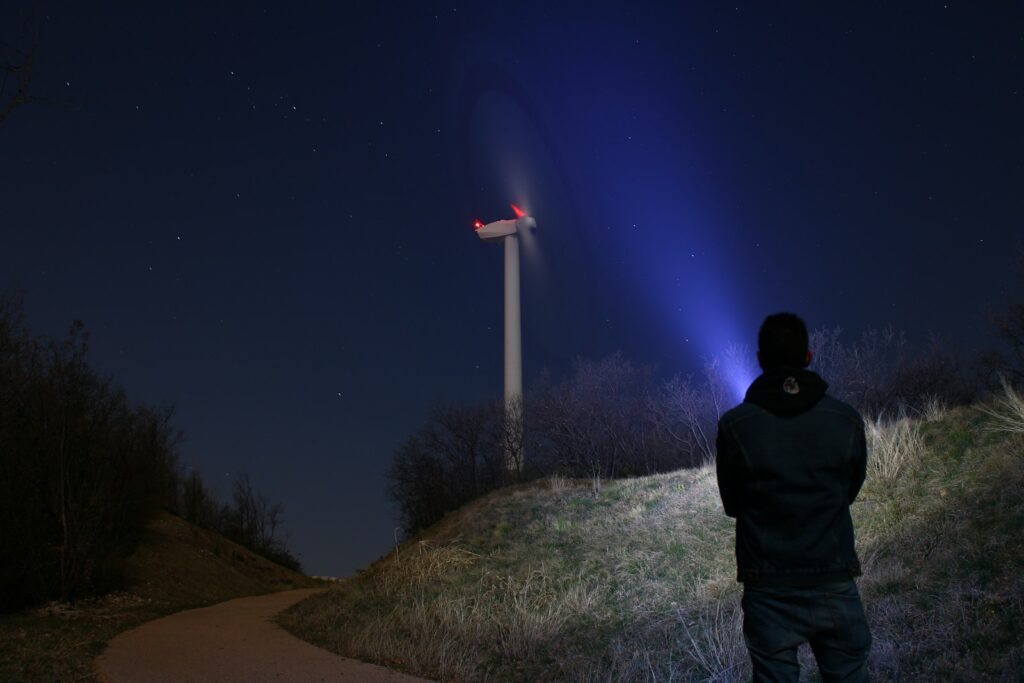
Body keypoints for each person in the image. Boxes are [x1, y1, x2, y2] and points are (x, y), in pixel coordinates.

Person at [715, 312, 872, 682]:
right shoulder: (845, 419)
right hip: (833, 577)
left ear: (760, 360)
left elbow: (733, 504)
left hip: (769, 588)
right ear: (809, 356)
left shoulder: (735, 426)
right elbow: (850, 488)